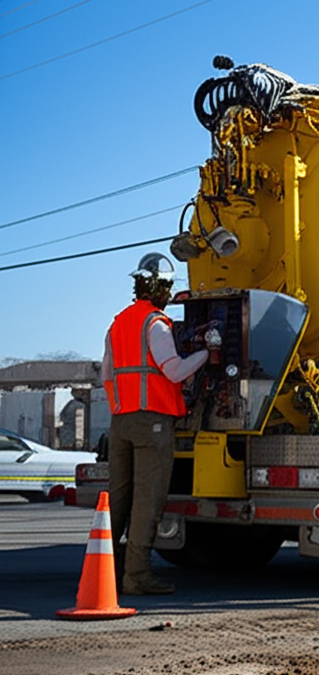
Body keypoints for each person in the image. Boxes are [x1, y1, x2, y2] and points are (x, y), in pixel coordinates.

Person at [102, 253, 208, 595]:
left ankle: (106, 572)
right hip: (153, 422)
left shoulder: (118, 323)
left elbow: (107, 376)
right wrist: (205, 354)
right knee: (147, 500)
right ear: (161, 289)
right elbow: (174, 371)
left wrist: (121, 407)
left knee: (118, 499)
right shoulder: (156, 324)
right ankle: (137, 576)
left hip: (121, 421)